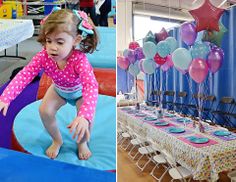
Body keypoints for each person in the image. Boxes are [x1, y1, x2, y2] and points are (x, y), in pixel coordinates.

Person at [0, 9, 99, 160]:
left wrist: (85, 116)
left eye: (60, 42)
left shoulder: (79, 60)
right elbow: (25, 75)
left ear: (76, 40)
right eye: (48, 40)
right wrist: (6, 97)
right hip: (59, 89)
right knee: (45, 111)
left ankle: (82, 143)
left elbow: (90, 86)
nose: (52, 47)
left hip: (79, 92)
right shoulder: (43, 56)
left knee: (84, 121)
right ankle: (57, 140)